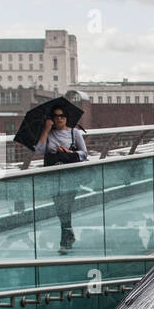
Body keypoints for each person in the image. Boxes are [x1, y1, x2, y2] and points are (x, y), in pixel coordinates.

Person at [33, 105, 88, 252]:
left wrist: (69, 152)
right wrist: (45, 130)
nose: (59, 118)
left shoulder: (74, 133)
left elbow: (84, 154)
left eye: (62, 115)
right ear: (51, 118)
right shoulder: (48, 134)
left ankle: (65, 241)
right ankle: (68, 236)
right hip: (53, 176)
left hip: (70, 176)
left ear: (66, 117)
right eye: (56, 116)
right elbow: (38, 151)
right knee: (60, 208)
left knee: (66, 207)